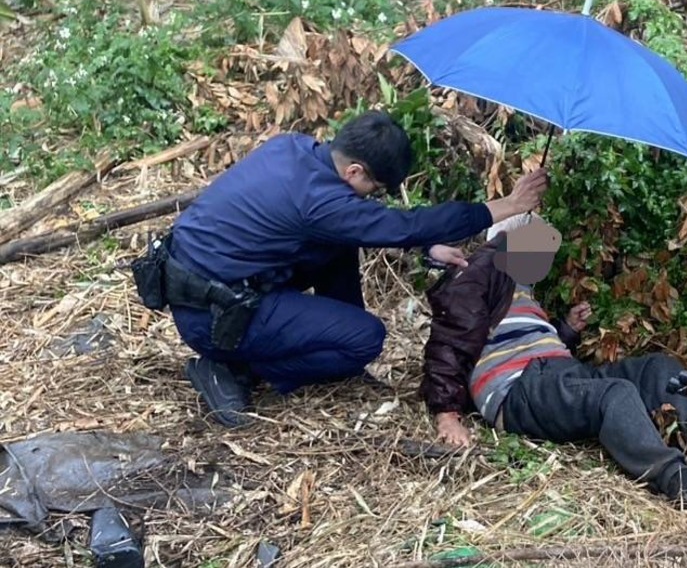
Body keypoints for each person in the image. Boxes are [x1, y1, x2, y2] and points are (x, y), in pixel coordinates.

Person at [132, 110, 548, 427]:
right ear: (354, 171)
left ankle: (304, 339)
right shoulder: (321, 205)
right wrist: (506, 206)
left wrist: (427, 247)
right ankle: (233, 367)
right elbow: (396, 224)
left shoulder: (292, 148)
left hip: (212, 284)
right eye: (375, 189)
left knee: (339, 244)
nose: (374, 198)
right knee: (365, 340)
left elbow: (364, 226)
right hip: (215, 317)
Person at [420, 212, 687, 504]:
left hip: (558, 373)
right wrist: (446, 414)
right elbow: (448, 343)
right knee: (614, 394)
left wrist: (566, 330)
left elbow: (530, 341)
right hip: (517, 389)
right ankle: (677, 480)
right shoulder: (472, 275)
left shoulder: (520, 289)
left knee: (658, 368)